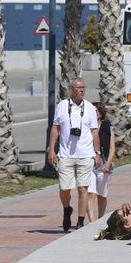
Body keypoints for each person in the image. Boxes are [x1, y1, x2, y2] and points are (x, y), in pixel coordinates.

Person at [47, 78, 102, 232]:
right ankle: (67, 209)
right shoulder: (62, 106)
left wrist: (97, 153)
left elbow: (94, 132)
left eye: (83, 87)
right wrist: (52, 150)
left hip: (85, 154)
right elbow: (55, 128)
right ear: (71, 89)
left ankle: (80, 221)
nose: (82, 90)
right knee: (64, 189)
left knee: (82, 189)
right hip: (65, 154)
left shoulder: (90, 108)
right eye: (78, 88)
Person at [91, 100, 117, 218]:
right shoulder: (87, 126)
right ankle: (90, 221)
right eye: (92, 111)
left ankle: (100, 217)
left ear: (101, 113)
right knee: (90, 192)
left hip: (104, 162)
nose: (94, 113)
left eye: (96, 111)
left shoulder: (107, 126)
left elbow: (112, 148)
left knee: (102, 194)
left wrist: (108, 163)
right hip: (90, 162)